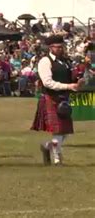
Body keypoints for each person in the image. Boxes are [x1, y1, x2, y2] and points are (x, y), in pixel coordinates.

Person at [31, 35, 80, 165]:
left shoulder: (65, 61)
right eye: (57, 47)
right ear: (50, 47)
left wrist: (77, 81)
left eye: (61, 47)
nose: (60, 49)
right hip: (51, 97)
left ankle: (47, 146)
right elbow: (47, 83)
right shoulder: (45, 61)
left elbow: (70, 78)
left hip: (64, 98)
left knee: (65, 132)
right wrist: (68, 86)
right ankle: (58, 160)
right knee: (58, 131)